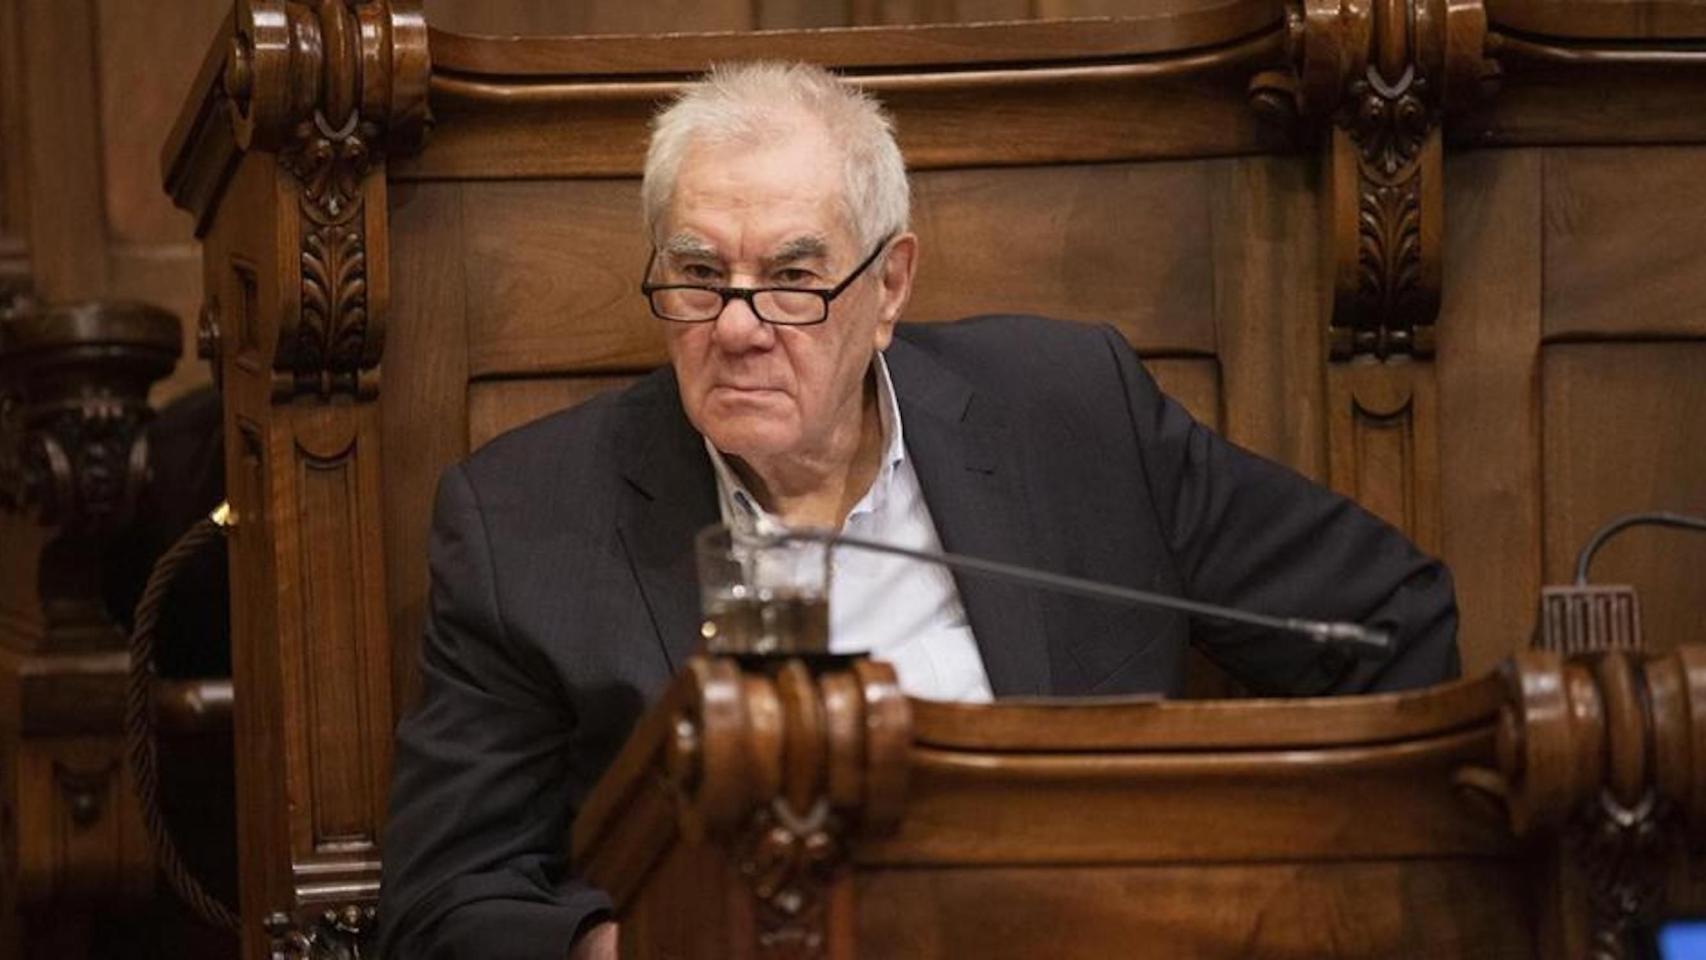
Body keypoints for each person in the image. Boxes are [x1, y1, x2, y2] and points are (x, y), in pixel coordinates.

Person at [377, 61, 1458, 960]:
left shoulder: (1068, 413)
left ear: (887, 287)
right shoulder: (524, 519)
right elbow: (443, 899)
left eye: (793, 276)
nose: (739, 326)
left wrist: (1255, 906)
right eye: (699, 273)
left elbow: (1383, 626)